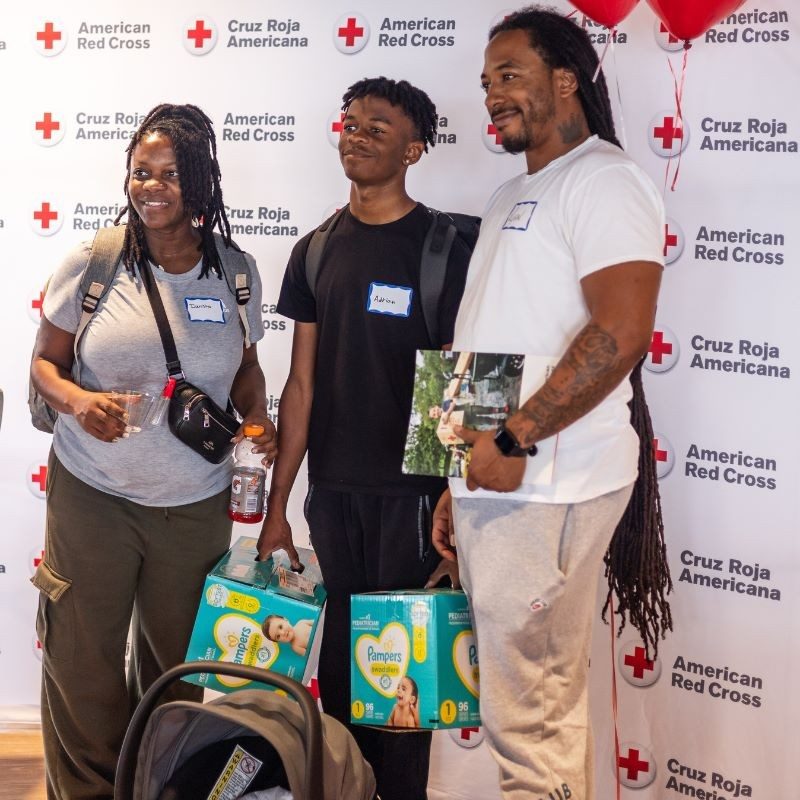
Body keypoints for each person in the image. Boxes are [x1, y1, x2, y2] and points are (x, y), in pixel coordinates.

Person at [431, 8, 671, 800]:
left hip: (548, 482)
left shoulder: (605, 179)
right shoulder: (513, 192)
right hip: (501, 479)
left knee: (530, 718)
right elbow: (498, 340)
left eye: (510, 75)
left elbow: (621, 331)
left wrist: (515, 439)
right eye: (486, 82)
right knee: (531, 707)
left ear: (566, 79)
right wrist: (453, 473)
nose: (492, 95)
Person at [30, 103, 276, 800]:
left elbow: (248, 368)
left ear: (200, 182)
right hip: (94, 496)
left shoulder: (236, 272)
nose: (152, 185)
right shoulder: (95, 262)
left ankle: (158, 787)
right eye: (142, 171)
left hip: (194, 504)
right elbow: (43, 365)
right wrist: (79, 402)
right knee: (84, 662)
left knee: (179, 669)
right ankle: (84, 791)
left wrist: (258, 415)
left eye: (170, 173)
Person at [257, 77, 472, 800]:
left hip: (413, 500)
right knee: (346, 682)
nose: (356, 133)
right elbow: (301, 387)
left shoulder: (446, 246)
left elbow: (462, 374)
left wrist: (447, 491)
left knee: (405, 686)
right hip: (335, 495)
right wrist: (277, 507)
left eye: (378, 126)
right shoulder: (316, 249)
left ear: (414, 148)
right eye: (350, 121)